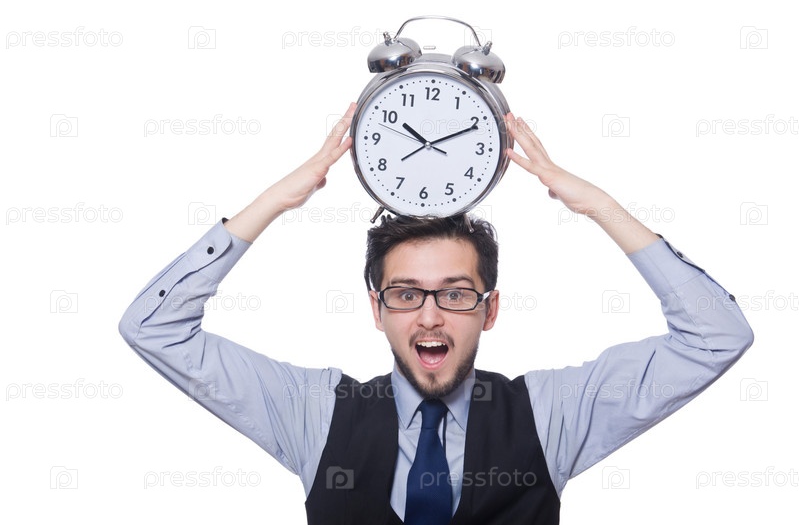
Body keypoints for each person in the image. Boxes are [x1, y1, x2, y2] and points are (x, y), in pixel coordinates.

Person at [118, 103, 754, 524]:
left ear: (489, 309)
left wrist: (598, 205)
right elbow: (153, 328)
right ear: (377, 309)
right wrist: (275, 201)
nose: (429, 318)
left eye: (454, 294)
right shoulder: (313, 412)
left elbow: (717, 337)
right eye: (405, 293)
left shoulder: (552, 414)